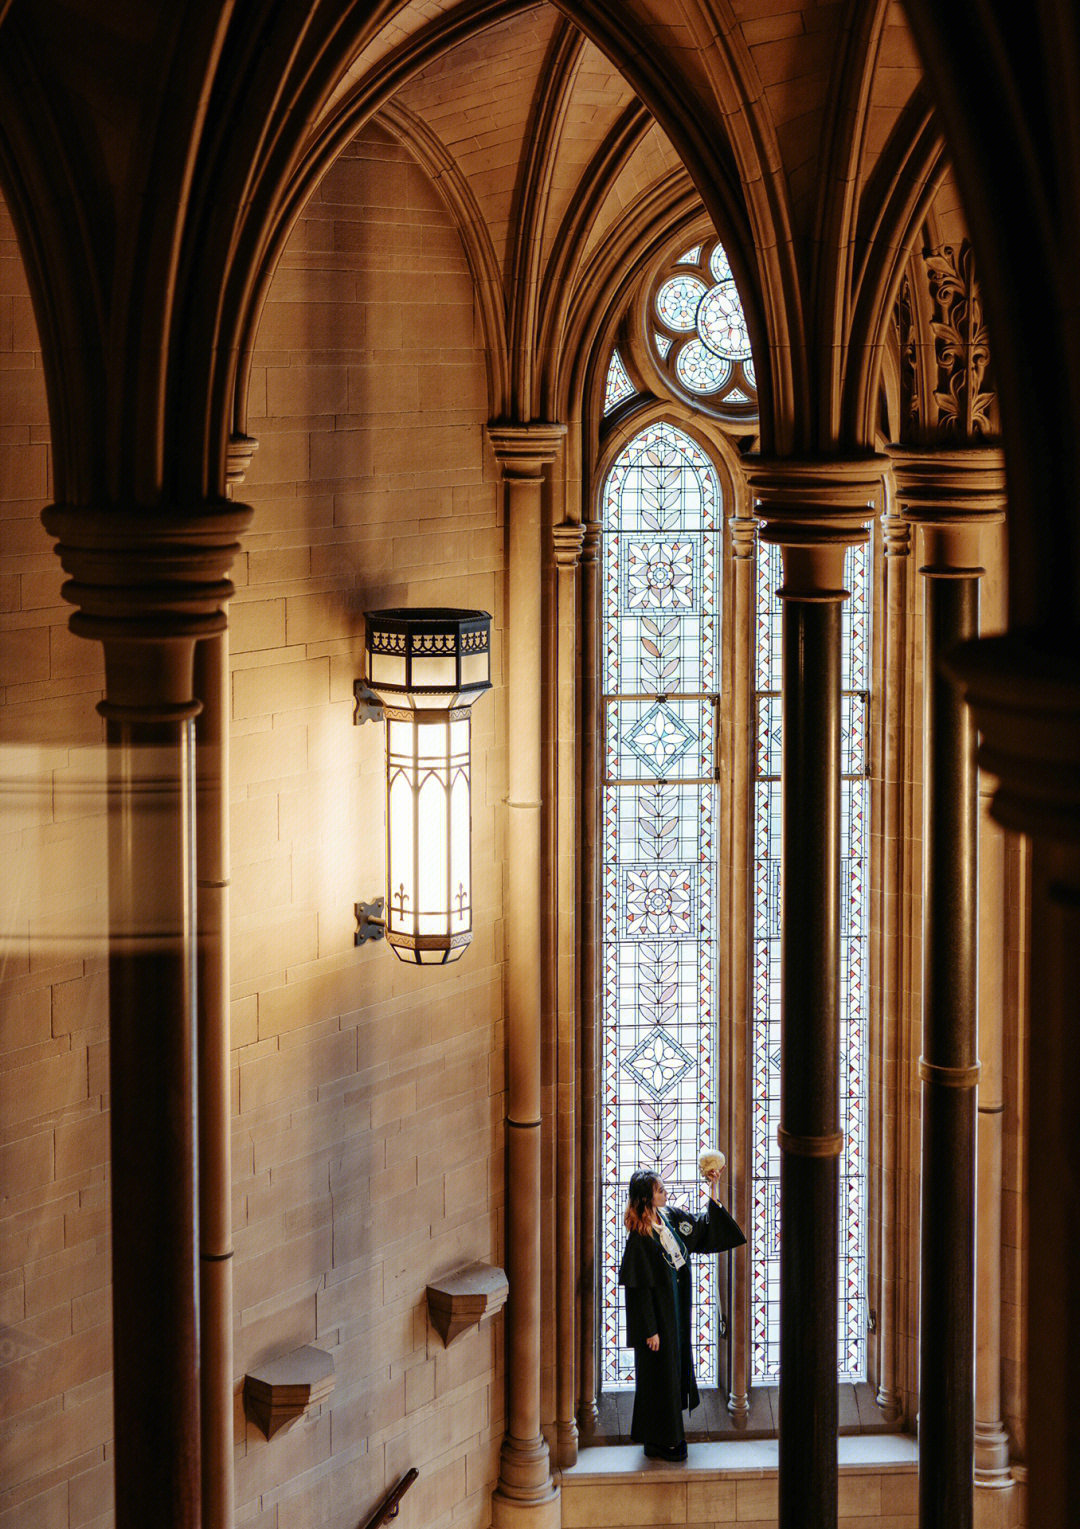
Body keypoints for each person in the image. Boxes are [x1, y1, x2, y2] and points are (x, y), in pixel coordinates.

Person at [618, 1165, 745, 1461]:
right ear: (647, 1199)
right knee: (658, 1378)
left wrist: (713, 1189)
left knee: (672, 1373)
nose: (666, 1193)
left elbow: (700, 1227)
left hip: (674, 1311)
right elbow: (639, 1289)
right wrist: (649, 1330)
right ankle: (663, 1440)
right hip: (658, 1322)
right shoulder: (639, 1239)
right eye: (660, 1190)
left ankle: (669, 1437)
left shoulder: (669, 1217)